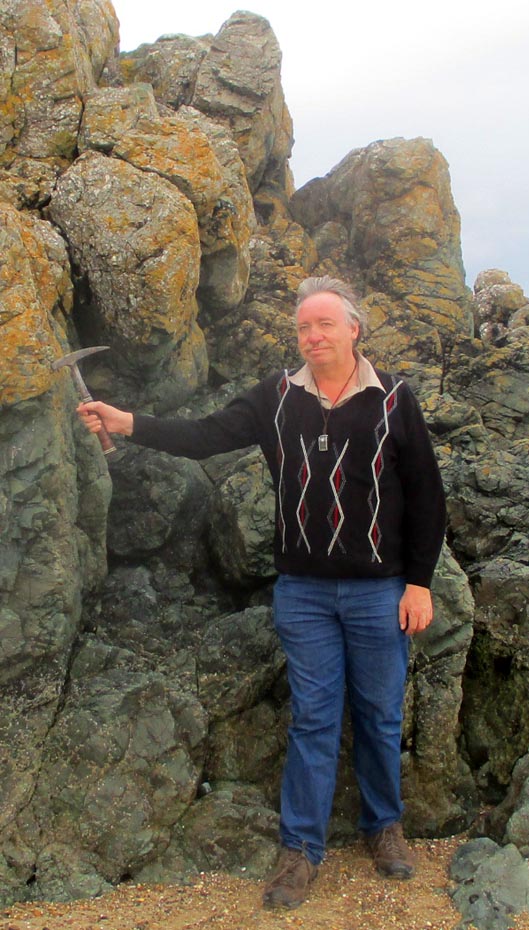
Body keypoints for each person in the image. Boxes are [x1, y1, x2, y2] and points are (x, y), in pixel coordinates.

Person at [77, 276, 447, 910]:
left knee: (382, 715)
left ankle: (384, 827)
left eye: (325, 324)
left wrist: (419, 582)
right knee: (313, 718)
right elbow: (203, 435)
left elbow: (426, 497)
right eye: (304, 327)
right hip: (303, 592)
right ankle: (300, 850)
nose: (313, 336)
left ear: (354, 329)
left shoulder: (393, 402)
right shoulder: (276, 399)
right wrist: (127, 422)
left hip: (378, 591)